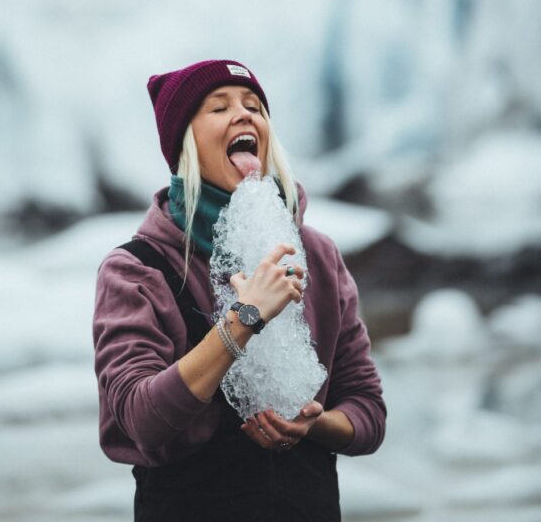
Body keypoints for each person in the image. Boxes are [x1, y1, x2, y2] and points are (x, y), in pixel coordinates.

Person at [93, 59, 386, 522]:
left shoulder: (318, 257)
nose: (244, 114)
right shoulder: (137, 271)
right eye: (218, 107)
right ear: (185, 143)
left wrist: (314, 423)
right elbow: (140, 419)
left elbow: (368, 411)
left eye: (254, 106)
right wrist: (243, 318)